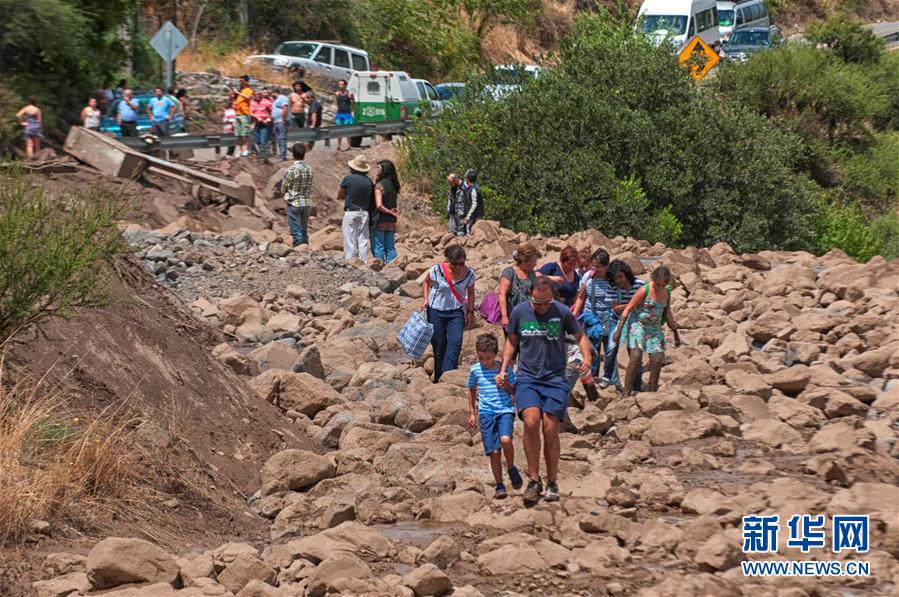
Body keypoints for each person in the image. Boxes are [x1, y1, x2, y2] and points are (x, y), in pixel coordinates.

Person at [497, 278, 591, 505]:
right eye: (537, 303)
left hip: (554, 378)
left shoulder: (562, 312)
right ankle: (534, 479)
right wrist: (504, 366)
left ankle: (552, 481)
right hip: (528, 377)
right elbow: (511, 341)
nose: (541, 308)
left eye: (545, 303)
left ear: (553, 298)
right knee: (530, 422)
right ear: (530, 296)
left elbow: (580, 336)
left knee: (550, 427)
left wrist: (587, 358)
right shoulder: (520, 312)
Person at [467, 333, 524, 499]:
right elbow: (471, 390)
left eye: (488, 358)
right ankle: (499, 485)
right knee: (494, 452)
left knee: (506, 439)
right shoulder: (475, 370)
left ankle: (512, 467)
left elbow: (515, 391)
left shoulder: (504, 369)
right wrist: (472, 412)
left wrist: (505, 384)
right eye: (482, 358)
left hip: (505, 410)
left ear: (496, 355)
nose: (485, 362)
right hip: (485, 414)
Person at [613, 266, 682, 396]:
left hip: (654, 328)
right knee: (636, 357)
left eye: (663, 285)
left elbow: (667, 313)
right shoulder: (644, 290)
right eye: (657, 284)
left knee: (657, 359)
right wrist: (619, 330)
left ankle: (652, 394)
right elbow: (628, 309)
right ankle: (626, 393)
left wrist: (676, 333)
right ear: (653, 279)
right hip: (637, 324)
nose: (659, 287)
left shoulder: (666, 293)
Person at [421, 245, 476, 383]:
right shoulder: (438, 270)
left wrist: (470, 311)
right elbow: (425, 281)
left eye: (461, 263)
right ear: (448, 261)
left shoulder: (469, 274)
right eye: (454, 264)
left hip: (456, 311)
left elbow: (471, 292)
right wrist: (426, 299)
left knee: (456, 342)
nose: (458, 267)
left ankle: (449, 377)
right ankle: (439, 377)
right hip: (436, 311)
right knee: (439, 345)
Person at [572, 249, 616, 385]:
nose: (596, 269)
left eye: (599, 267)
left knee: (611, 348)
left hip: (609, 317)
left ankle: (610, 379)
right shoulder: (588, 277)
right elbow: (581, 297)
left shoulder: (613, 279)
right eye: (594, 266)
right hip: (591, 317)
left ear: (606, 266)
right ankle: (592, 381)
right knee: (592, 351)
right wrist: (573, 316)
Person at [607, 260, 645, 392]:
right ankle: (611, 381)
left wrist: (629, 306)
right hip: (617, 319)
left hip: (636, 322)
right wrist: (633, 303)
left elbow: (645, 304)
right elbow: (616, 308)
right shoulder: (613, 287)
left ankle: (637, 385)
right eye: (615, 278)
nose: (618, 281)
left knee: (635, 354)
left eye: (620, 277)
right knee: (611, 349)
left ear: (626, 274)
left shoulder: (640, 285)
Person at [338, 155, 375, 263]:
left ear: (353, 168)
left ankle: (350, 261)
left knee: (350, 238)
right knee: (363, 239)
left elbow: (339, 195)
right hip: (364, 212)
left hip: (351, 211)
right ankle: (363, 262)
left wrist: (348, 196)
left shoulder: (348, 179)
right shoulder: (369, 181)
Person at [498, 243, 540, 333]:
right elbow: (502, 294)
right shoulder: (509, 273)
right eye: (533, 261)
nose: (535, 264)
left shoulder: (532, 274)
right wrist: (504, 316)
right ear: (524, 260)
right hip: (513, 318)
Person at [282, 143, 313, 246]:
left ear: (293, 155)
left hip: (294, 202)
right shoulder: (309, 169)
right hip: (306, 202)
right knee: (304, 230)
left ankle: (299, 248)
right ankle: (305, 248)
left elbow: (283, 187)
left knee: (296, 231)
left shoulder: (290, 170)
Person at [372, 159, 401, 263]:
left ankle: (379, 269)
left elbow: (379, 205)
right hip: (391, 220)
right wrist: (392, 212)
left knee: (379, 245)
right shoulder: (394, 185)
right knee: (390, 246)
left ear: (384, 170)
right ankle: (392, 268)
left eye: (379, 168)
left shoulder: (380, 185)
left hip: (380, 219)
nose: (377, 170)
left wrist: (389, 211)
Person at [233, 75, 254, 157]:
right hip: (238, 114)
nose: (240, 83)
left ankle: (246, 150)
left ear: (246, 81)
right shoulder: (241, 91)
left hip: (245, 114)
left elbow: (248, 97)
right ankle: (240, 150)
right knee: (239, 134)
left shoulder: (248, 90)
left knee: (246, 133)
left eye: (242, 81)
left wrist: (238, 93)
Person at [250, 90, 273, 161]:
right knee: (257, 141)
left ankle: (264, 157)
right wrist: (257, 117)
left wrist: (268, 120)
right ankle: (261, 155)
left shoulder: (267, 102)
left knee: (263, 140)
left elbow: (272, 112)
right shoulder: (253, 103)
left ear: (261, 95)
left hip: (264, 124)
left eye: (258, 94)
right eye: (255, 94)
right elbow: (250, 112)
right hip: (256, 123)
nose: (257, 96)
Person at [334, 79, 355, 152]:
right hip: (339, 113)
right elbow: (336, 102)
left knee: (347, 130)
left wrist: (352, 112)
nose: (340, 86)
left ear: (345, 85)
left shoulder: (349, 94)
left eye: (342, 85)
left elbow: (353, 103)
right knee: (339, 130)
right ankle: (339, 145)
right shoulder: (337, 93)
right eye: (339, 84)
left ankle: (349, 145)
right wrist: (337, 110)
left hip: (347, 114)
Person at [460, 169, 484, 235]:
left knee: (470, 233)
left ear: (467, 179)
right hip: (474, 215)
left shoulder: (473, 189)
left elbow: (474, 204)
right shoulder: (475, 187)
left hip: (474, 216)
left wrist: (468, 217)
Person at [271, 88, 291, 161]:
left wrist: (283, 119)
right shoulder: (275, 100)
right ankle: (281, 155)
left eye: (272, 93)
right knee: (279, 139)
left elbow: (285, 108)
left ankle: (283, 156)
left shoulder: (282, 98)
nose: (271, 95)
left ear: (275, 92)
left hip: (281, 121)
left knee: (282, 138)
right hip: (276, 121)